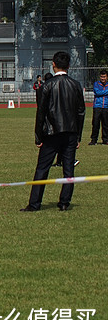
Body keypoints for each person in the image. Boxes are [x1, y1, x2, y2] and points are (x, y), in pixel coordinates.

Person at [21, 51, 85, 212]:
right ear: (69, 66)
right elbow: (81, 112)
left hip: (51, 133)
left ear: (53, 64)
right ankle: (64, 202)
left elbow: (41, 112)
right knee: (68, 169)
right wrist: (78, 136)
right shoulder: (76, 85)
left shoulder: (46, 86)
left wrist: (38, 136)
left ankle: (35, 203)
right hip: (70, 132)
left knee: (42, 168)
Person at [90, 70, 108, 146]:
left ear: (107, 77)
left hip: (106, 107)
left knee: (106, 125)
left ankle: (105, 140)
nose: (102, 78)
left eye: (104, 76)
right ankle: (94, 140)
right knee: (95, 124)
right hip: (97, 106)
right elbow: (97, 92)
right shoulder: (96, 84)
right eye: (101, 76)